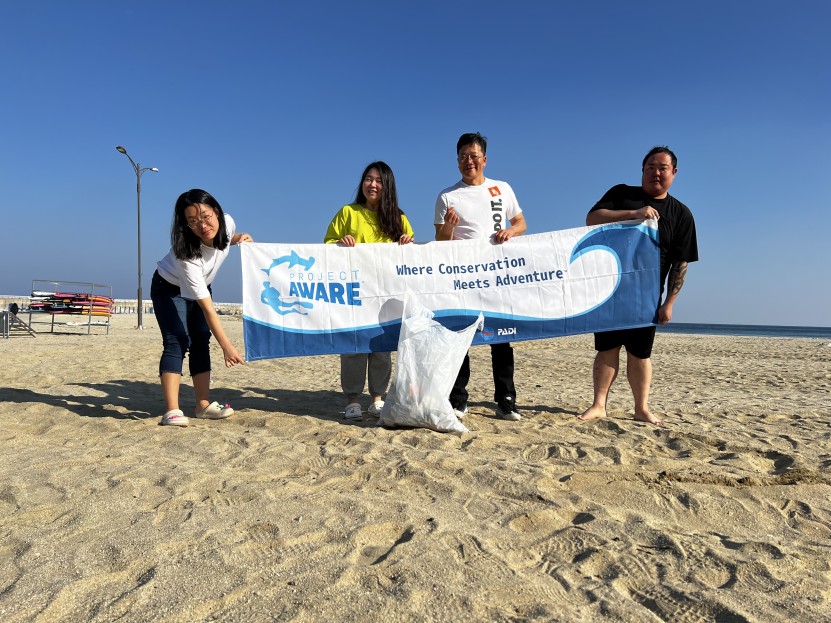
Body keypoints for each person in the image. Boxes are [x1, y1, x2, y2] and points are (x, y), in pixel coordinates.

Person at [578, 146, 698, 426]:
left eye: (663, 168)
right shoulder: (622, 193)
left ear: (674, 173)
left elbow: (681, 263)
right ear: (642, 170)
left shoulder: (681, 214)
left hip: (646, 297)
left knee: (640, 354)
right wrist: (633, 213)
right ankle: (598, 405)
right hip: (609, 290)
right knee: (606, 348)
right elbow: (591, 219)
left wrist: (669, 303)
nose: (656, 173)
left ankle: (641, 408)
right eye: (650, 167)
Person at [434, 132, 527, 421]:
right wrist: (449, 227)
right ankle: (458, 399)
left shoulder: (502, 188)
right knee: (462, 337)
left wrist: (510, 232)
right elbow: (440, 242)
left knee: (501, 339)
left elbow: (521, 222)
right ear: (457, 161)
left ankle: (506, 399)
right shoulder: (448, 196)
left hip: (499, 277)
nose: (468, 161)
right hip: (463, 279)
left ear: (484, 159)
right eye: (463, 157)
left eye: (473, 156)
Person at [151, 189, 253, 427]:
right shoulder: (186, 255)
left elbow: (222, 239)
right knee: (177, 340)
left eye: (206, 216)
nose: (203, 225)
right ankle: (172, 410)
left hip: (202, 284)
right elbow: (208, 310)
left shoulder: (226, 222)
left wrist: (238, 239)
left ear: (216, 211)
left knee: (200, 340)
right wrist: (227, 347)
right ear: (185, 225)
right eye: (193, 221)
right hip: (169, 287)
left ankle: (203, 405)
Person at [325, 161, 414, 420]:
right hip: (353, 295)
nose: (372, 185)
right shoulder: (347, 213)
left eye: (378, 181)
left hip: (385, 297)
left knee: (380, 348)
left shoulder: (399, 218)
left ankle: (377, 397)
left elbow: (411, 257)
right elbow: (325, 247)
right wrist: (340, 243)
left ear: (388, 187)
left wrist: (407, 243)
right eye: (368, 179)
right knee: (353, 346)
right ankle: (352, 399)